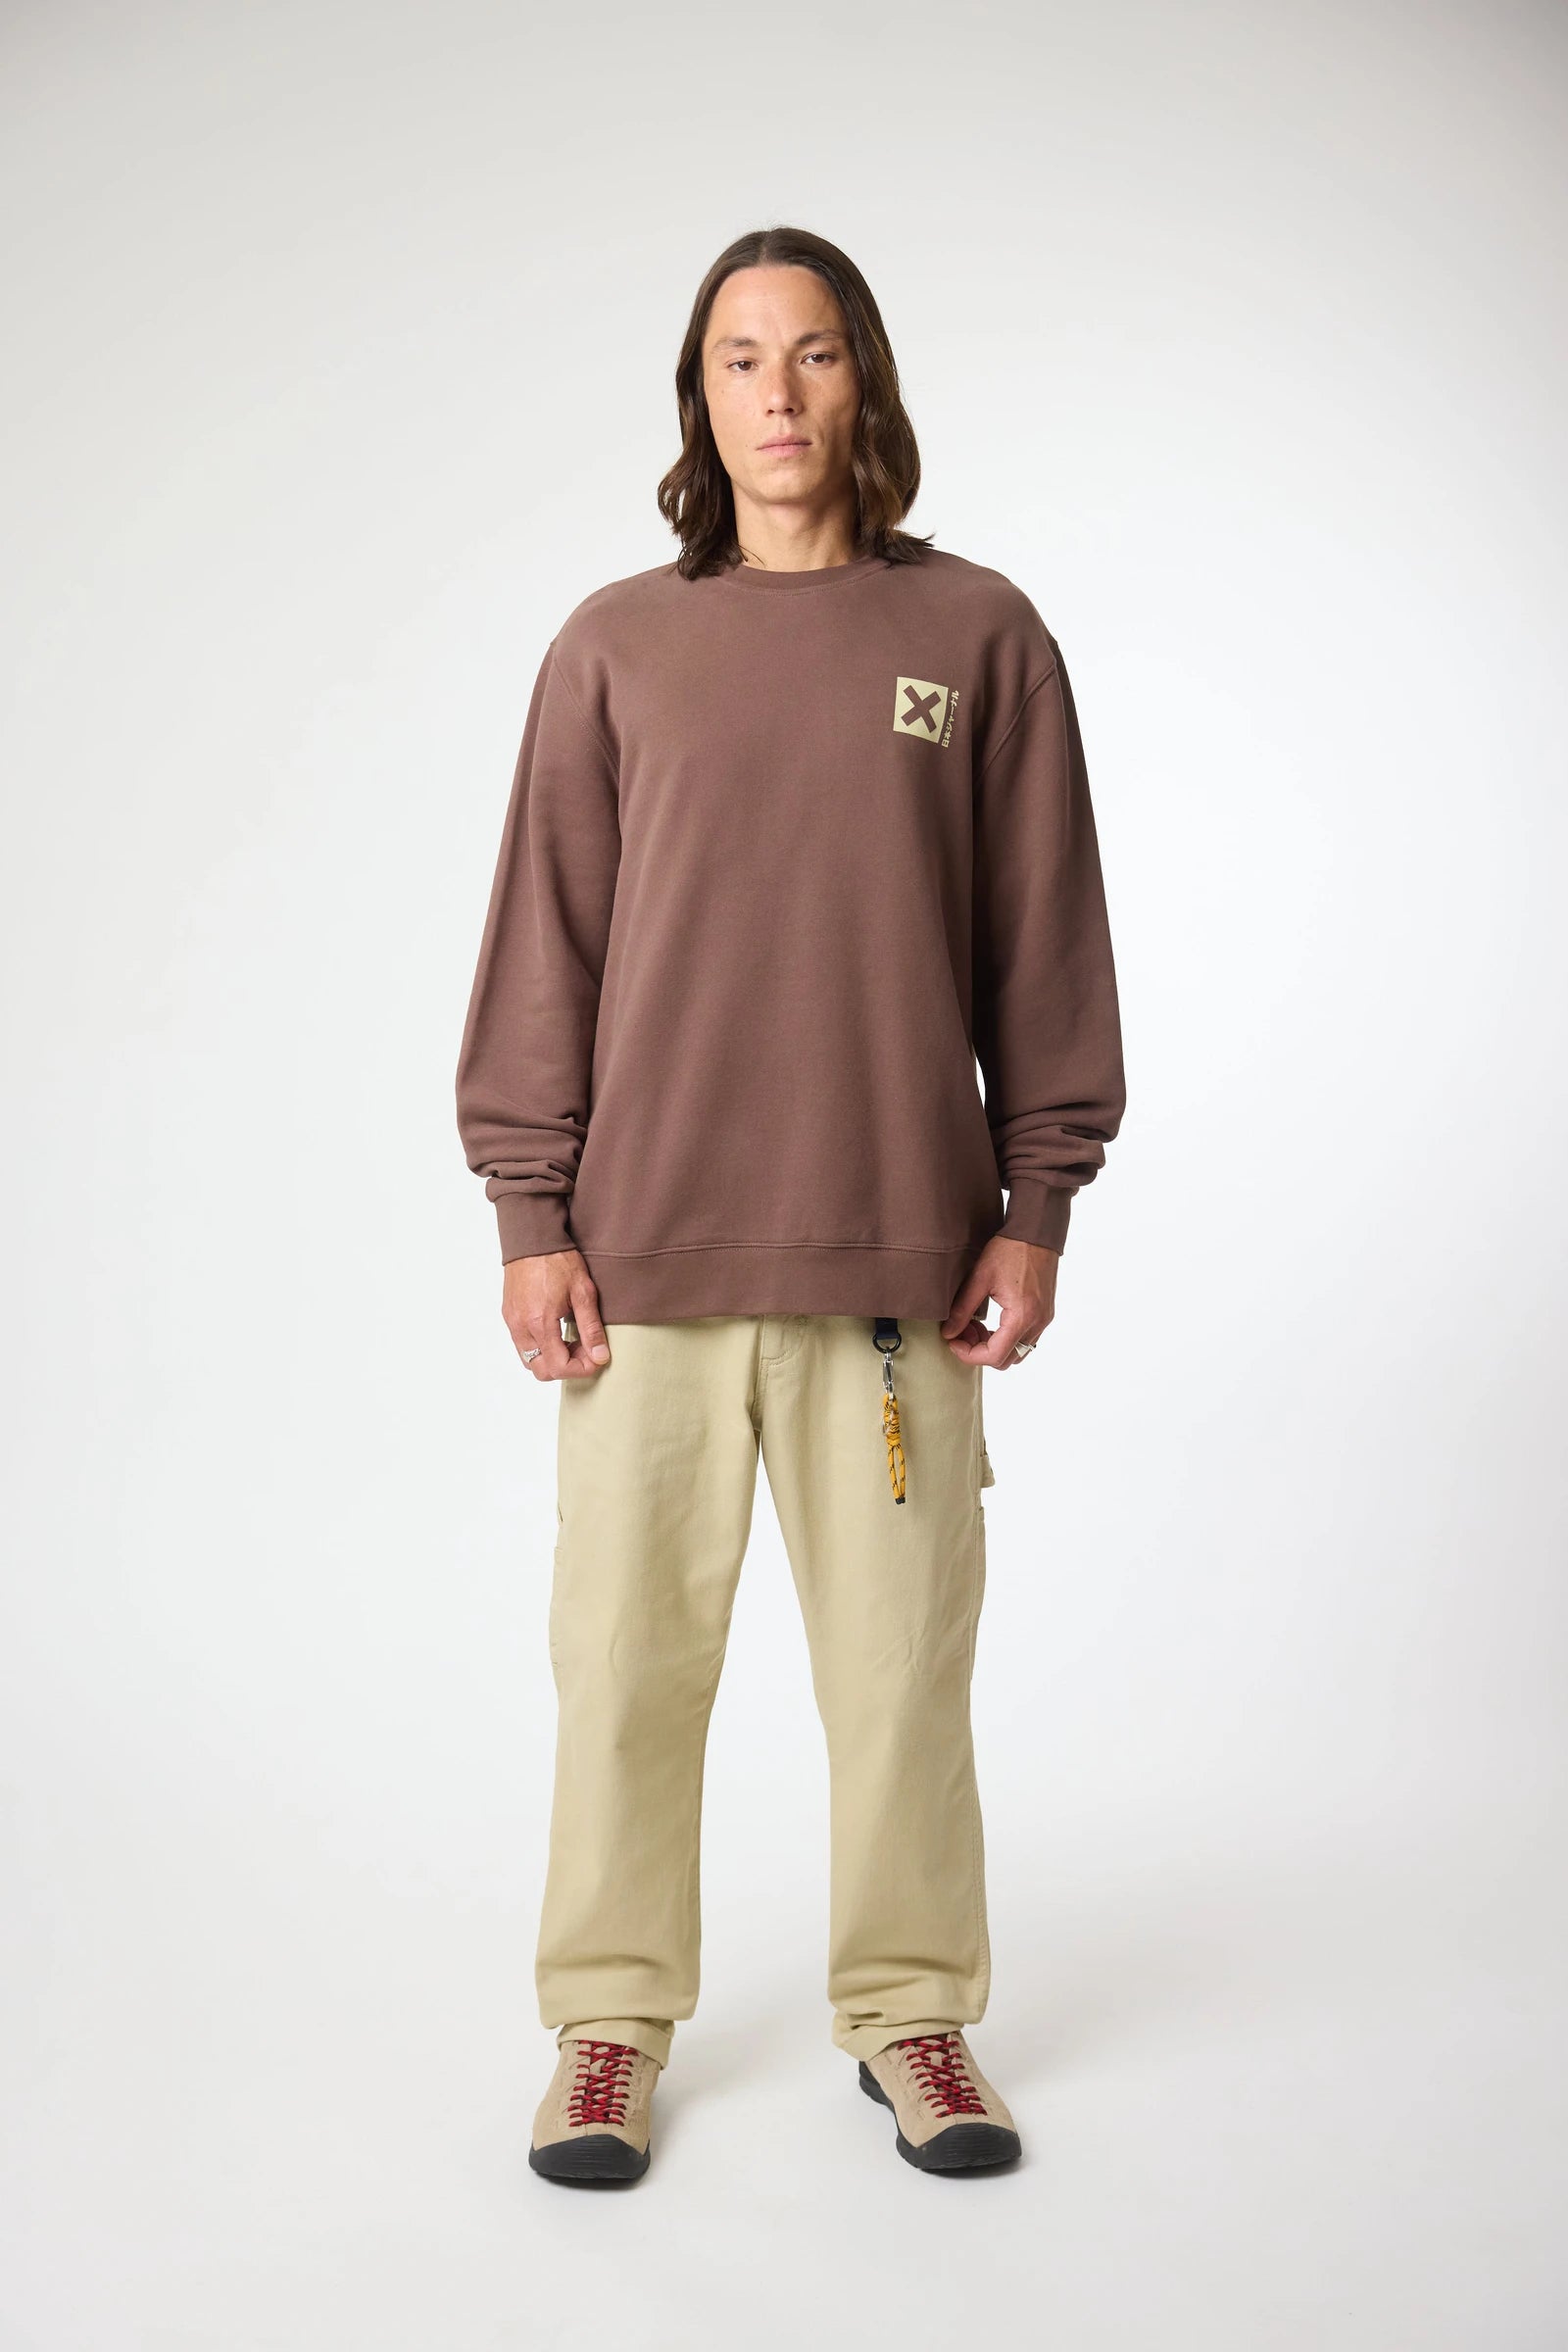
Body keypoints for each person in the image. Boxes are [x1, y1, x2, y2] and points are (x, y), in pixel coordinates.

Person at [455, 223, 1126, 2184]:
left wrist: (1037, 1201)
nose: (776, 391)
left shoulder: (978, 637)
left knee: (902, 1677)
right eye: (739, 357)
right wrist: (529, 1215)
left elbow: (1044, 944)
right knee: (623, 1670)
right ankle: (606, 2025)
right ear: (698, 396)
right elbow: (544, 947)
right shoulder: (614, 646)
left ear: (864, 381)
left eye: (812, 352)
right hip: (645, 1267)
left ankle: (911, 2017)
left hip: (896, 1271)